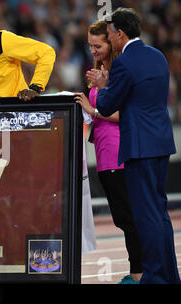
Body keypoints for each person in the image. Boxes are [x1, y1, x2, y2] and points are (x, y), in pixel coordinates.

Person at [96, 8, 180, 284]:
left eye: (109, 35)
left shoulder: (124, 62)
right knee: (160, 212)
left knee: (146, 216)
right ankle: (168, 275)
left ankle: (155, 277)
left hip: (139, 147)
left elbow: (107, 105)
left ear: (120, 34)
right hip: (161, 142)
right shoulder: (158, 56)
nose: (110, 39)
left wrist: (105, 85)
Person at [74, 20, 143, 284]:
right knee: (123, 219)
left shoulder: (118, 72)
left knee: (129, 219)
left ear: (112, 43)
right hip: (104, 156)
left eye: (98, 45)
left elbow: (126, 114)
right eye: (90, 45)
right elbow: (101, 121)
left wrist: (93, 110)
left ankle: (139, 274)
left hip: (119, 155)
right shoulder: (98, 72)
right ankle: (138, 271)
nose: (93, 50)